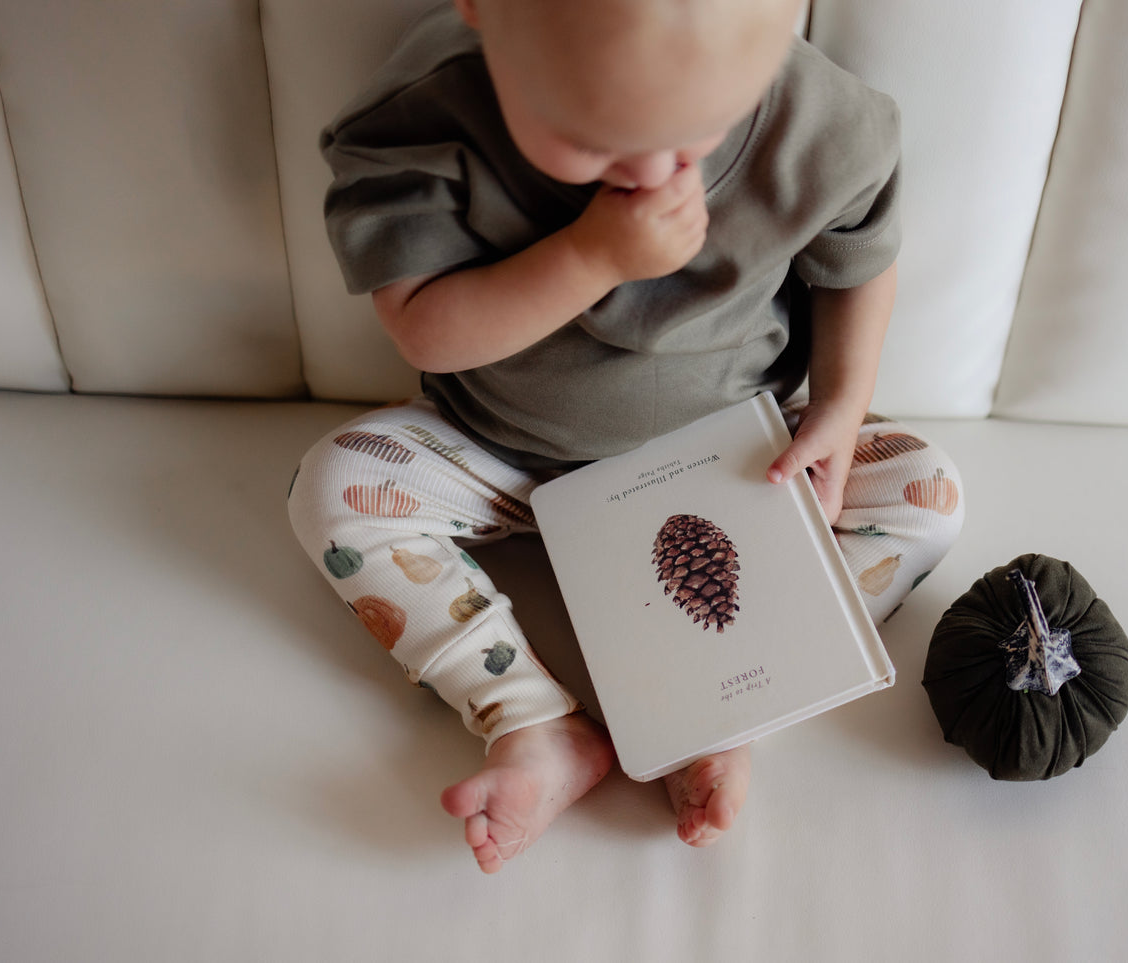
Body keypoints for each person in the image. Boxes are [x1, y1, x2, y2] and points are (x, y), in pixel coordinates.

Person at [288, 0, 964, 874]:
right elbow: (423, 327)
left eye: (696, 137)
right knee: (333, 489)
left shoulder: (818, 118)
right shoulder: (426, 116)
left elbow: (859, 267)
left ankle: (716, 703)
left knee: (927, 491)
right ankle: (531, 718)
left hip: (737, 462)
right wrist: (593, 254)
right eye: (592, 140)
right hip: (503, 454)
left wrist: (838, 409)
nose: (651, 173)